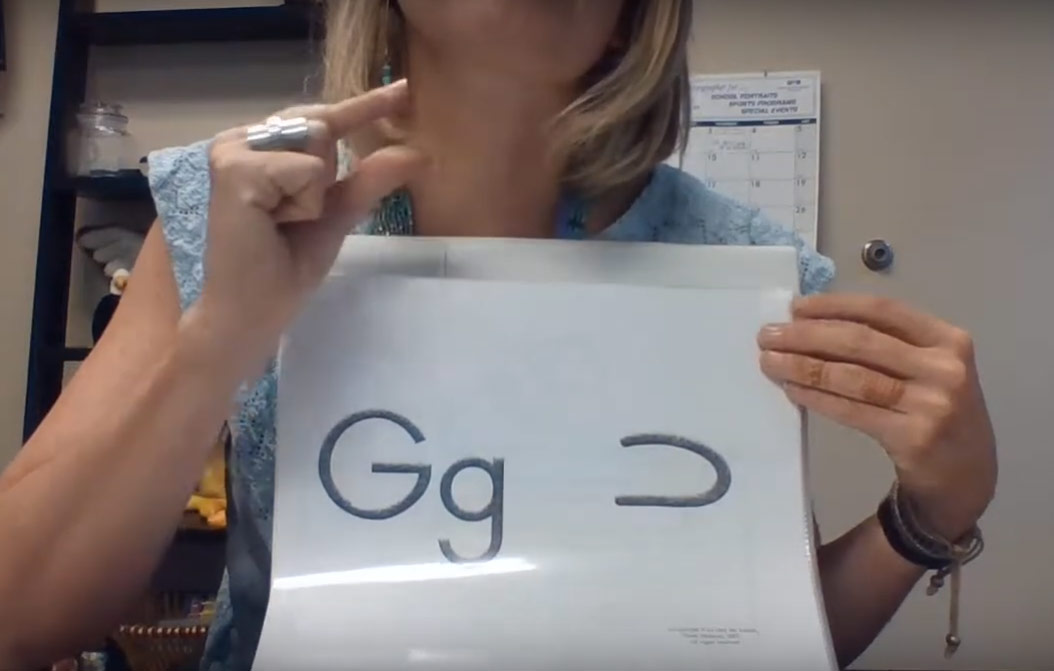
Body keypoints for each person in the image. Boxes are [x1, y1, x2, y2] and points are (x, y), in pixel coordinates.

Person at [0, 1, 997, 670]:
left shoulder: (735, 273)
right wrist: (219, 338)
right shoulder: (227, 214)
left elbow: (750, 630)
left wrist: (927, 516)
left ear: (631, 19)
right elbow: (18, 616)